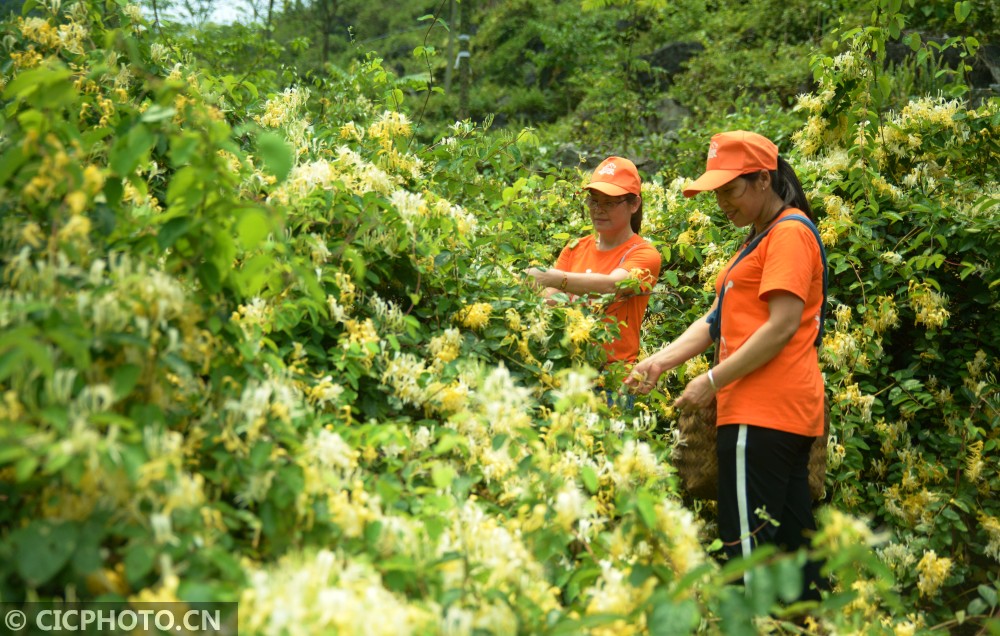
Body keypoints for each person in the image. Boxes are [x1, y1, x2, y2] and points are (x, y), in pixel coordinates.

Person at [624, 131, 826, 602]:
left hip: (760, 413)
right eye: (717, 192)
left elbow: (781, 326)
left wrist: (712, 380)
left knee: (746, 558)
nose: (722, 203)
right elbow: (717, 321)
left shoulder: (789, 234)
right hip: (783, 414)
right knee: (797, 556)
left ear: (763, 179)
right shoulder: (761, 237)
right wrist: (660, 360)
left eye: (730, 190)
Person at [525, 156, 661, 380]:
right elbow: (552, 303)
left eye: (609, 202)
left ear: (634, 204)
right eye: (594, 201)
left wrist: (551, 277)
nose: (598, 209)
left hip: (613, 380)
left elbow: (612, 285)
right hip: (569, 374)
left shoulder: (644, 254)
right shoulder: (575, 248)